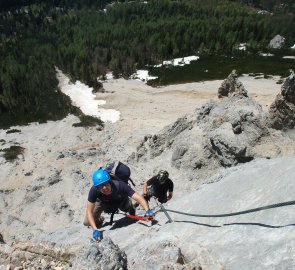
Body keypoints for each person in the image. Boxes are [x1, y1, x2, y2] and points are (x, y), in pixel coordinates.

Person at [84, 168, 154, 241]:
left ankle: (130, 206)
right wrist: (95, 230)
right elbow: (89, 211)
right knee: (87, 222)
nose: (104, 188)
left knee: (126, 208)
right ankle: (100, 219)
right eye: (101, 186)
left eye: (105, 184)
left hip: (119, 199)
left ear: (109, 182)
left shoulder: (120, 186)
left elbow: (138, 197)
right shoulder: (94, 190)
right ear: (97, 188)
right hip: (104, 201)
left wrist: (147, 210)